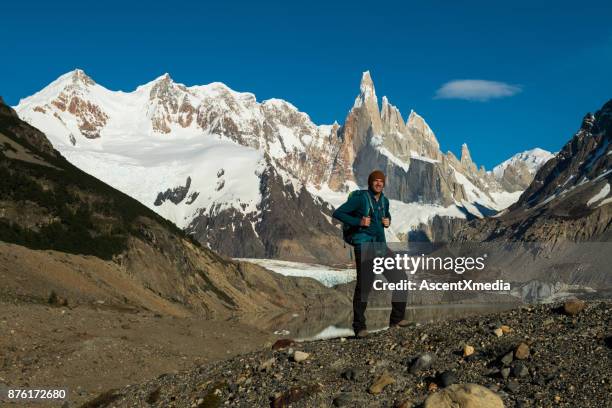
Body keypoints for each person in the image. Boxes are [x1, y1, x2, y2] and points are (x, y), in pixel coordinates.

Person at [332, 170, 409, 338]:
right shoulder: (360, 199)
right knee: (364, 287)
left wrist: (388, 221)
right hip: (364, 246)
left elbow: (385, 217)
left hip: (380, 247)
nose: (379, 183)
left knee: (401, 278)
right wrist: (358, 221)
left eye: (381, 181)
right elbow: (338, 213)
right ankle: (359, 328)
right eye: (376, 181)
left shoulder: (385, 201)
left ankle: (396, 320)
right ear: (370, 182)